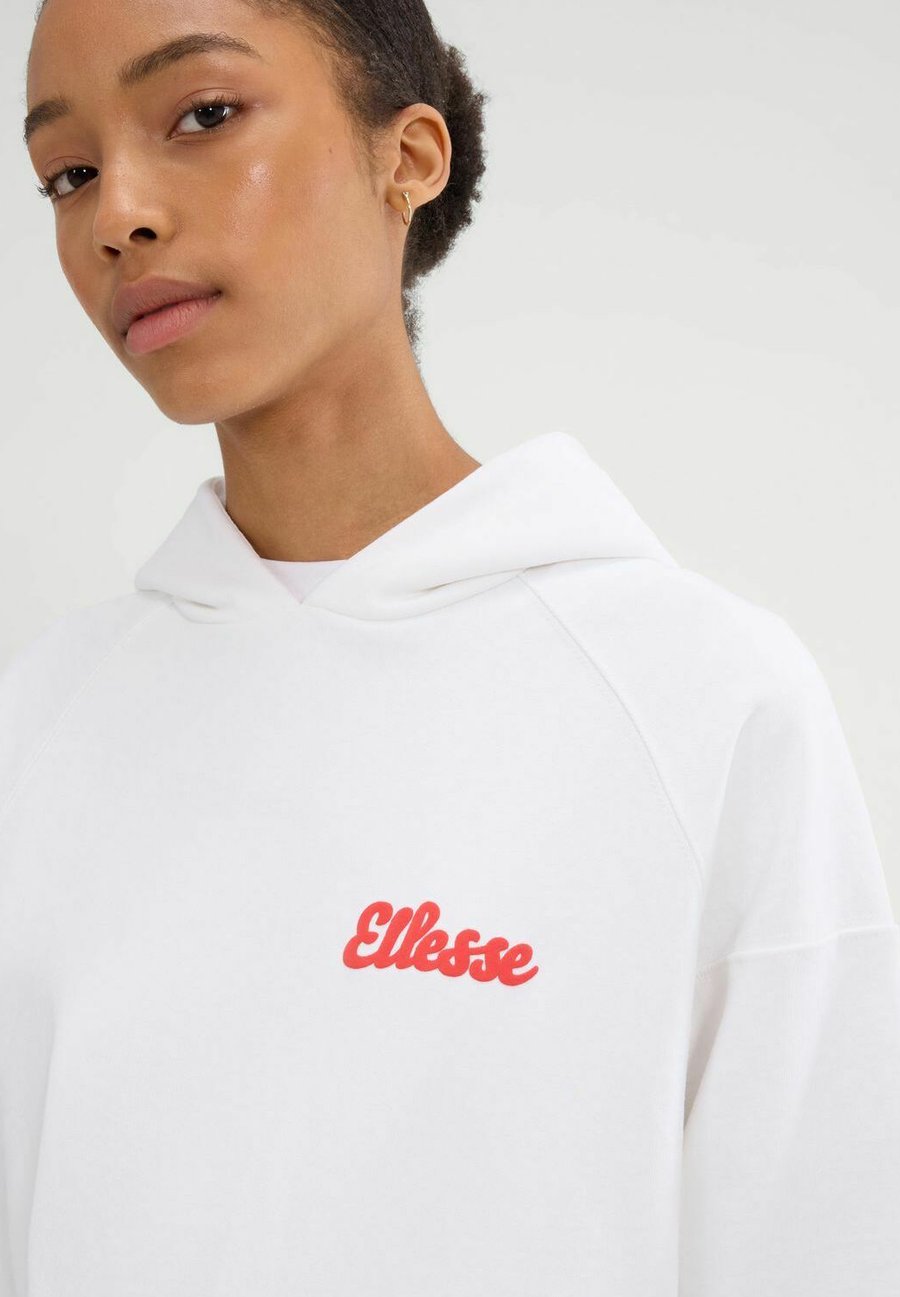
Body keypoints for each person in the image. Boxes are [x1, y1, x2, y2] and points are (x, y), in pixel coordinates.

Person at [4, 0, 899, 1293]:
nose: (117, 216)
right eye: (67, 173)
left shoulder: (702, 705)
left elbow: (817, 1245)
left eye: (203, 114)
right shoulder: (38, 730)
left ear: (408, 157)